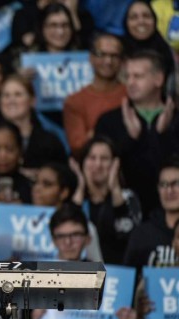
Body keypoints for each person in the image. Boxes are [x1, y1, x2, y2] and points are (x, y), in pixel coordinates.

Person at [95, 50, 179, 217]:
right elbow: (103, 170)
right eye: (128, 77)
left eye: (138, 76)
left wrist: (164, 135)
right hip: (125, 213)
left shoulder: (175, 120)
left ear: (159, 79)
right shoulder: (109, 121)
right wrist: (131, 139)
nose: (131, 82)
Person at [70, 137, 141, 264]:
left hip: (118, 273)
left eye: (104, 159)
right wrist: (81, 185)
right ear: (84, 162)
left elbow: (128, 235)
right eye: (92, 158)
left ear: (115, 164)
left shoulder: (127, 197)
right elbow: (67, 227)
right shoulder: (76, 198)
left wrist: (115, 189)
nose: (98, 164)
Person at [63, 33, 127, 159]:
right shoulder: (74, 101)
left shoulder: (133, 95)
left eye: (114, 56)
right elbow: (77, 147)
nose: (108, 61)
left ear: (122, 61)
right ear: (91, 58)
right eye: (101, 54)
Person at [0, 74, 68, 181]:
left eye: (18, 95)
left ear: (32, 101)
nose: (11, 100)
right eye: (6, 95)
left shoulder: (50, 142)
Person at [124, 156, 179, 269]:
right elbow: (127, 281)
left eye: (176, 183)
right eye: (163, 185)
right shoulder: (142, 235)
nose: (169, 190)